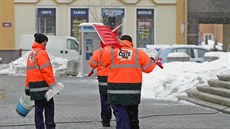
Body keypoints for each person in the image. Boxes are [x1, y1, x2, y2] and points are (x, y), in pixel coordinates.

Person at [100, 35, 156, 129]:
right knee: (132, 113)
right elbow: (149, 68)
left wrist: (112, 49)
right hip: (133, 90)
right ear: (131, 43)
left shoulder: (112, 52)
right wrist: (152, 61)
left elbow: (102, 63)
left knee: (120, 112)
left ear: (120, 42)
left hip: (116, 90)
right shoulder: (138, 53)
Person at [25, 33, 56, 129]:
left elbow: (29, 72)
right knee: (49, 109)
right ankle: (50, 127)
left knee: (38, 110)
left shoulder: (31, 54)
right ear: (42, 42)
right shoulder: (42, 53)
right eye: (45, 43)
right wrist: (53, 86)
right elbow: (46, 71)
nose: (45, 45)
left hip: (34, 88)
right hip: (44, 87)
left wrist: (27, 87)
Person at [88, 42, 112, 127]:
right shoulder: (116, 51)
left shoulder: (99, 51)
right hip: (114, 78)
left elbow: (92, 63)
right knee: (115, 101)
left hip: (103, 79)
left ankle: (106, 120)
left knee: (104, 100)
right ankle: (120, 119)